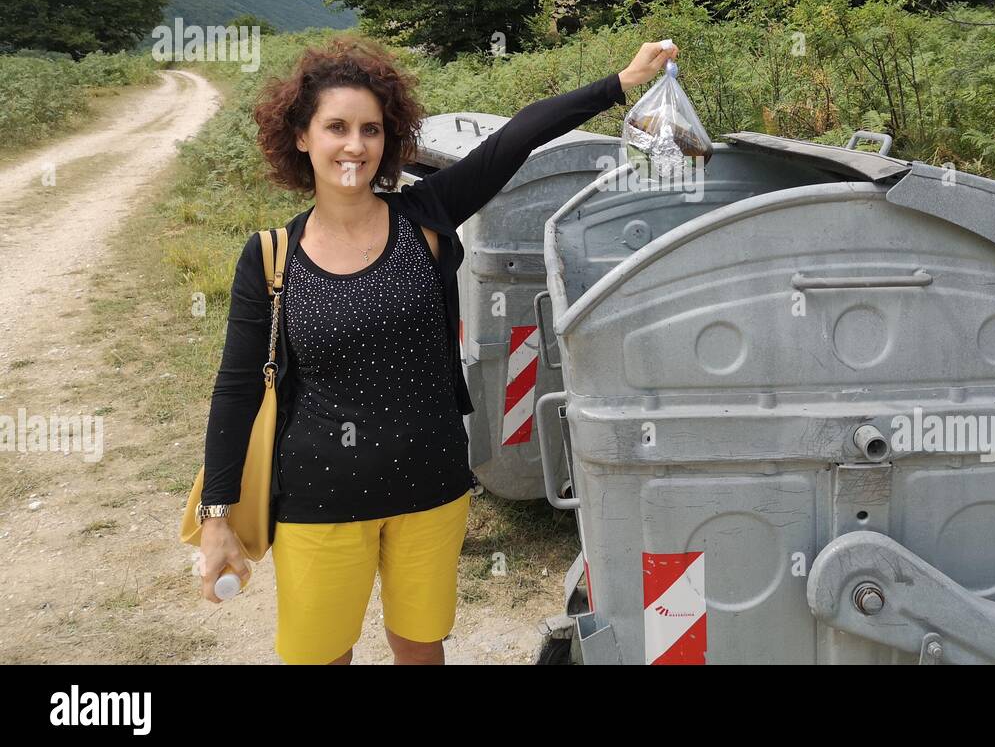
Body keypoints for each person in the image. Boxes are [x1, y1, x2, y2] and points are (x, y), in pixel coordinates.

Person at [195, 34, 679, 664]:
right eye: (336, 127)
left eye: (371, 130)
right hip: (318, 496)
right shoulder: (270, 258)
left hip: (432, 488)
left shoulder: (425, 216)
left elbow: (518, 138)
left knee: (421, 646)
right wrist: (216, 512)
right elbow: (235, 389)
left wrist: (621, 82)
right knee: (320, 655)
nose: (354, 145)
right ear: (301, 137)